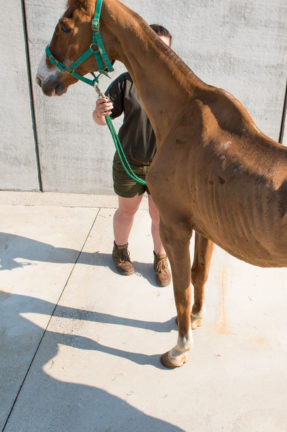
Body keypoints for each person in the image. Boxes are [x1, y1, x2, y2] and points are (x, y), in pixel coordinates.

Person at [92, 24, 172, 287]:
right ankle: (120, 250)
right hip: (129, 163)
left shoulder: (174, 85)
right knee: (126, 212)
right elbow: (102, 120)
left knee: (160, 217)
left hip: (162, 168)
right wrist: (99, 112)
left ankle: (160, 258)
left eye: (164, 47)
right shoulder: (126, 82)